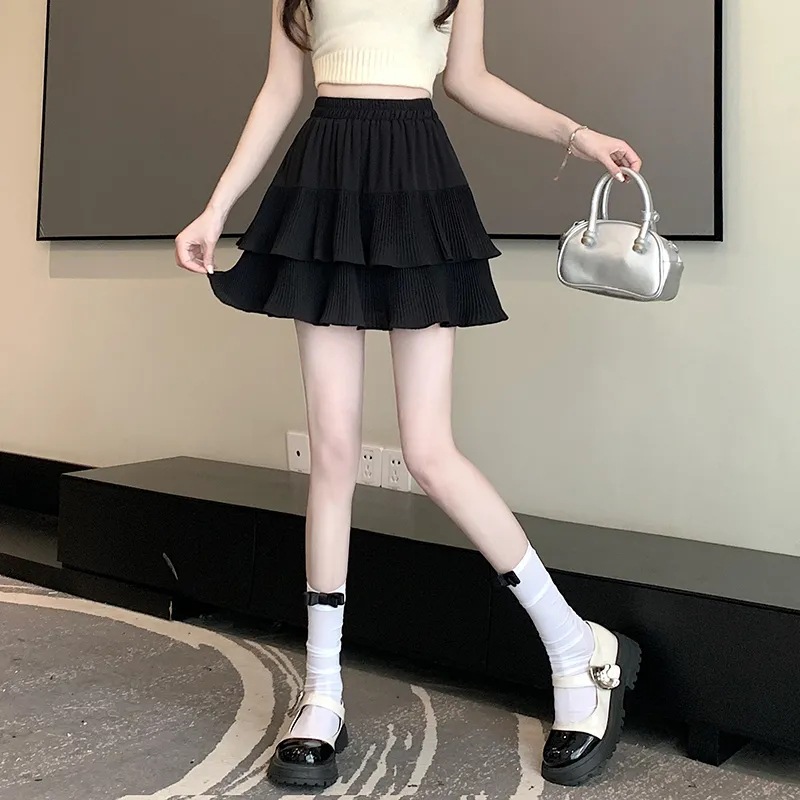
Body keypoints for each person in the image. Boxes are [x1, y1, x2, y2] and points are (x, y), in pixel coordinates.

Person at [175, 0, 643, 789]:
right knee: (331, 451)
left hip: (416, 180)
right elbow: (280, 90)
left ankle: (576, 648)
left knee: (429, 451)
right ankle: (322, 693)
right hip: (324, 182)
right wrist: (216, 208)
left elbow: (471, 80)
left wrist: (576, 133)